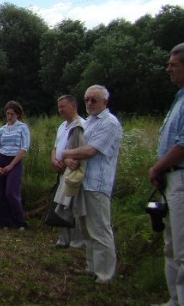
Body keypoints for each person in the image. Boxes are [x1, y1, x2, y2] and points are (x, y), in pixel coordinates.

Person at [148, 41, 184, 305]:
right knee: (172, 246)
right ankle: (176, 300)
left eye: (174, 65)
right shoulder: (182, 97)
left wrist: (157, 167)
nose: (168, 69)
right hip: (173, 180)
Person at [62, 85, 122, 284]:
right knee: (86, 228)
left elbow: (90, 151)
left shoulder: (110, 123)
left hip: (97, 183)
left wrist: (66, 154)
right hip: (82, 181)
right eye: (87, 99)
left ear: (105, 102)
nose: (89, 103)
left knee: (100, 229)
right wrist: (69, 159)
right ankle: (92, 268)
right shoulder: (89, 122)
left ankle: (105, 274)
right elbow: (77, 149)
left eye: (94, 100)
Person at [52, 95, 86, 248]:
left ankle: (77, 241)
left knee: (74, 206)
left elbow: (82, 151)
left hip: (74, 173)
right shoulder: (62, 126)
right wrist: (54, 160)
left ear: (73, 106)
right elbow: (55, 147)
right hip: (61, 171)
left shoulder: (81, 125)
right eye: (59, 107)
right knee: (61, 203)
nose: (60, 110)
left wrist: (66, 161)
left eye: (63, 106)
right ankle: (63, 239)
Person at [0, 101, 30, 230]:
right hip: (1, 158)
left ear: (17, 114)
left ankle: (19, 221)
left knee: (11, 192)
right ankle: (5, 222)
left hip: (14, 159)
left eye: (12, 114)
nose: (9, 116)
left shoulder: (22, 127)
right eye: (7, 114)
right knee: (0, 192)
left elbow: (24, 148)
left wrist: (11, 165)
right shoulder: (2, 129)